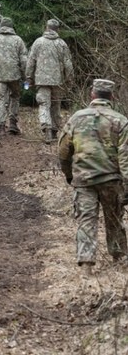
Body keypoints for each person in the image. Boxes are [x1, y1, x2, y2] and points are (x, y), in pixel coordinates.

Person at [58, 78, 128, 267]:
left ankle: (86, 265)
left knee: (86, 221)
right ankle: (120, 261)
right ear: (112, 96)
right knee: (114, 220)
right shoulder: (120, 121)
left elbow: (64, 151)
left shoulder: (76, 118)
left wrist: (69, 174)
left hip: (83, 180)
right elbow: (125, 157)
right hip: (111, 180)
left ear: (92, 94)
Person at [26, 19, 74, 143]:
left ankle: (46, 128)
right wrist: (69, 80)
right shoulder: (61, 44)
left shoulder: (38, 42)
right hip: (57, 81)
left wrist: (29, 77)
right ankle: (54, 131)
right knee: (56, 105)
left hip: (42, 80)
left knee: (44, 104)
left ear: (46, 28)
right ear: (57, 29)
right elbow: (68, 64)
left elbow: (31, 61)